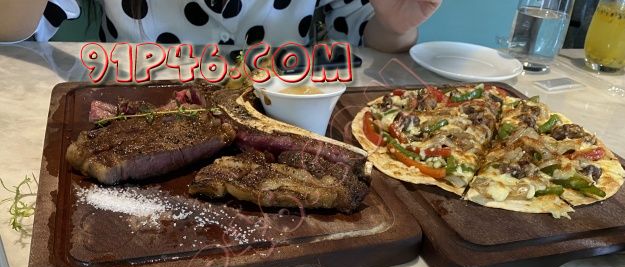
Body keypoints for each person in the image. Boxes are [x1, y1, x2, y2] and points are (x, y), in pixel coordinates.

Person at [1, 0, 442, 53]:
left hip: (284, 127)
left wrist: (396, 26)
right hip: (130, 118)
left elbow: (365, 33)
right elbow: (14, 27)